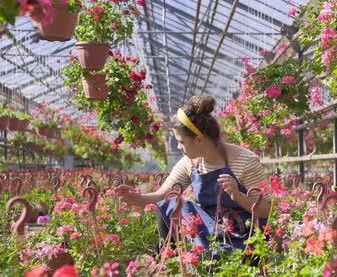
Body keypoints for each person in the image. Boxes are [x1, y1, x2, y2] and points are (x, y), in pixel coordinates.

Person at [115, 95, 271, 254]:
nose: (178, 147)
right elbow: (163, 196)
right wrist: (139, 199)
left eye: (181, 141)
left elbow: (267, 210)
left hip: (244, 238)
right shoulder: (191, 162)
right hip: (210, 233)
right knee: (169, 204)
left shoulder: (245, 161)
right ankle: (171, 260)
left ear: (199, 140)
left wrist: (238, 196)